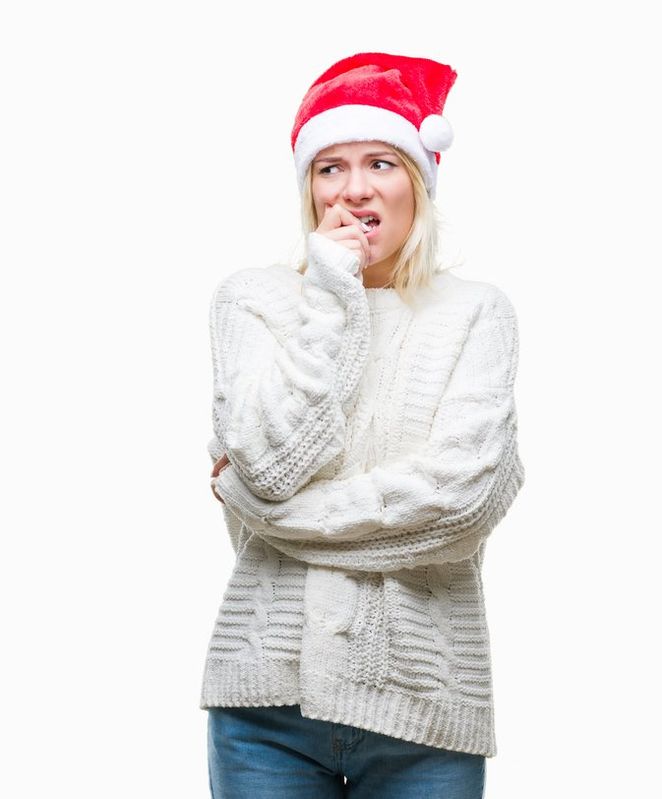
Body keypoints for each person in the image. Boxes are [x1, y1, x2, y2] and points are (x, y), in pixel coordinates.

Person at [200, 52, 525, 798]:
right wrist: (330, 295)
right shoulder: (252, 301)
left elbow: (459, 505)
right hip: (264, 707)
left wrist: (264, 511)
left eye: (380, 162)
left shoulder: (476, 313)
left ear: (419, 182)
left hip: (424, 707)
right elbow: (272, 462)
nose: (353, 189)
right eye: (329, 169)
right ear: (307, 190)